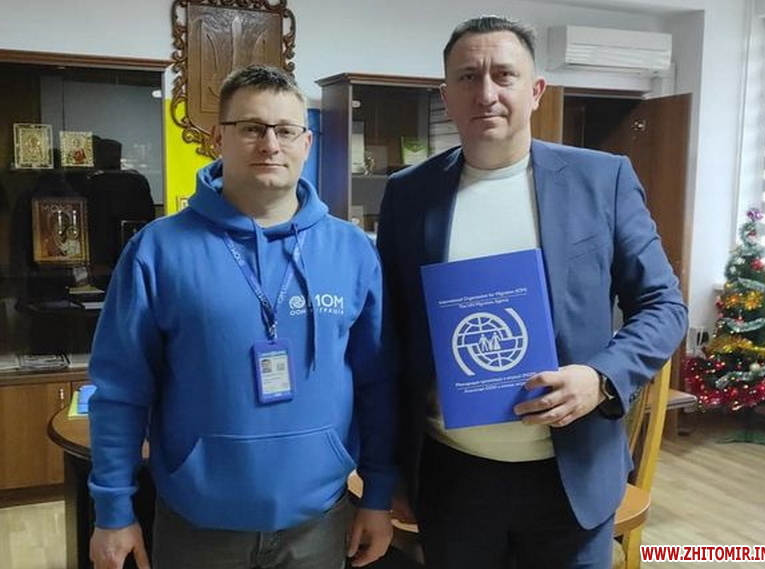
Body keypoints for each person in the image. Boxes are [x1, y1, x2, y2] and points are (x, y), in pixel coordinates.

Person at [376, 15, 688, 569]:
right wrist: (390, 470)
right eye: (468, 77)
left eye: (504, 75)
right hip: (453, 478)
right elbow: (392, 335)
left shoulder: (603, 179)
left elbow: (664, 306)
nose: (486, 93)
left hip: (571, 477)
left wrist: (601, 378)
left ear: (536, 90)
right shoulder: (408, 194)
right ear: (446, 96)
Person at [88, 65, 396, 569]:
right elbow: (121, 391)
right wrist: (114, 510)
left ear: (306, 143)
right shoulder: (157, 250)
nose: (270, 144)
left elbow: (377, 384)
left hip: (320, 522)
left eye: (286, 130)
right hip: (197, 524)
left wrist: (378, 494)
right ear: (218, 139)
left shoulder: (353, 251)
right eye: (252, 127)